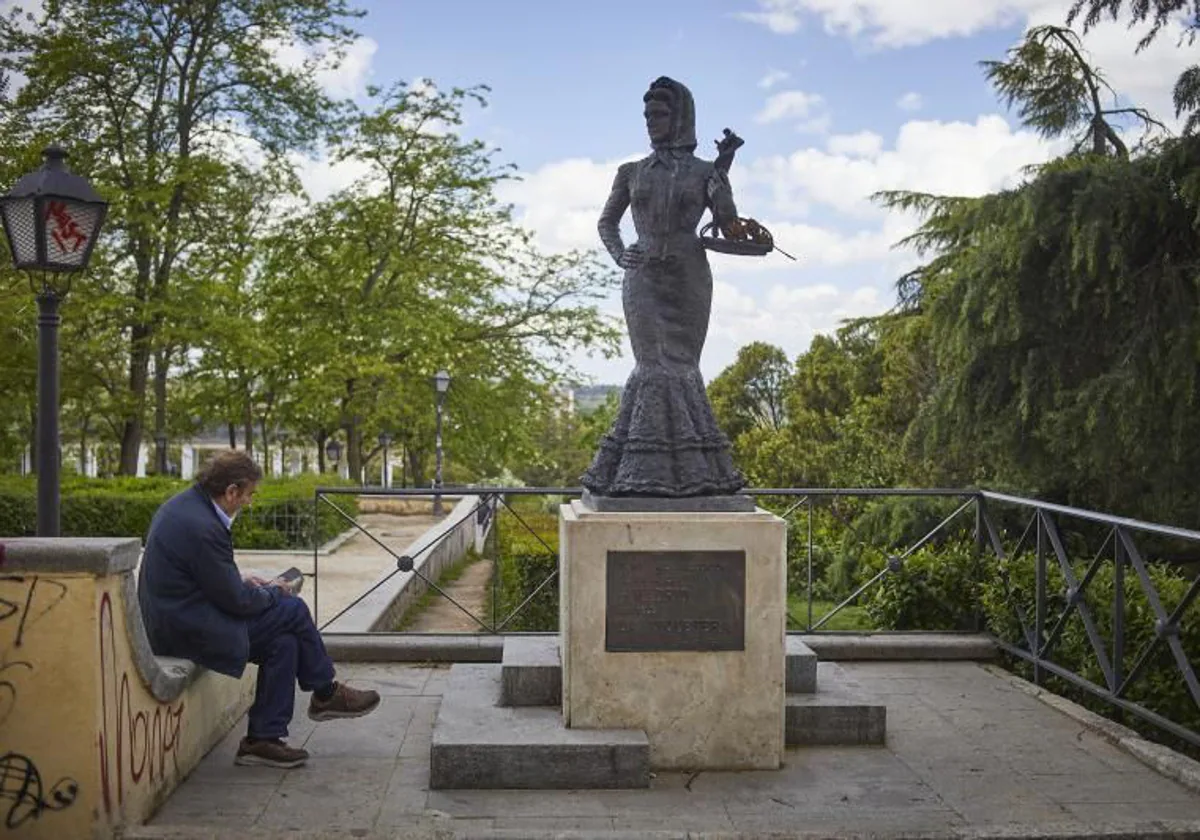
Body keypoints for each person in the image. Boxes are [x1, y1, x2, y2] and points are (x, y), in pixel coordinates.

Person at [137, 449, 379, 768]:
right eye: (249, 495)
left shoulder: (188, 508)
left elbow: (207, 577)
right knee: (292, 610)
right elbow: (237, 602)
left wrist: (243, 581)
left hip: (180, 616)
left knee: (284, 642)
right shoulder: (203, 527)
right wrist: (269, 592)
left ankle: (262, 739)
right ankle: (325, 692)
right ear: (231, 491)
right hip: (185, 629)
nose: (249, 502)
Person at [581, 76, 746, 498]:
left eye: (660, 114)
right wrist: (620, 254)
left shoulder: (706, 171)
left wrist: (722, 175)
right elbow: (606, 222)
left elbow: (728, 224)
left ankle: (696, 476)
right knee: (653, 365)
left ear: (680, 118)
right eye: (648, 115)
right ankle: (638, 475)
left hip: (689, 276)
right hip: (644, 278)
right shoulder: (631, 172)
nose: (652, 122)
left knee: (683, 366)